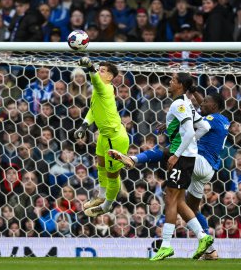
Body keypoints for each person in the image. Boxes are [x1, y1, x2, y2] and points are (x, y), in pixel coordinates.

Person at [111, 77, 220, 260]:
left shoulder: (179, 104)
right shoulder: (185, 103)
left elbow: (193, 131)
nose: (169, 82)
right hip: (186, 156)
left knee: (170, 200)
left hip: (182, 158)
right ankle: (203, 237)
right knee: (177, 201)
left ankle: (167, 245)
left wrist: (178, 153)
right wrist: (174, 129)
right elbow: (204, 126)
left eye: (173, 80)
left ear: (181, 85)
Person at [75, 57, 129, 217]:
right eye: (98, 69)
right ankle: (101, 196)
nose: (99, 71)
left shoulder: (105, 88)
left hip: (115, 138)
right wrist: (84, 125)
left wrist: (90, 67)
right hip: (104, 136)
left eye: (103, 71)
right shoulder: (99, 91)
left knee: (113, 174)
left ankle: (107, 205)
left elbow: (96, 82)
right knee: (100, 166)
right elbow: (93, 109)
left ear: (110, 77)